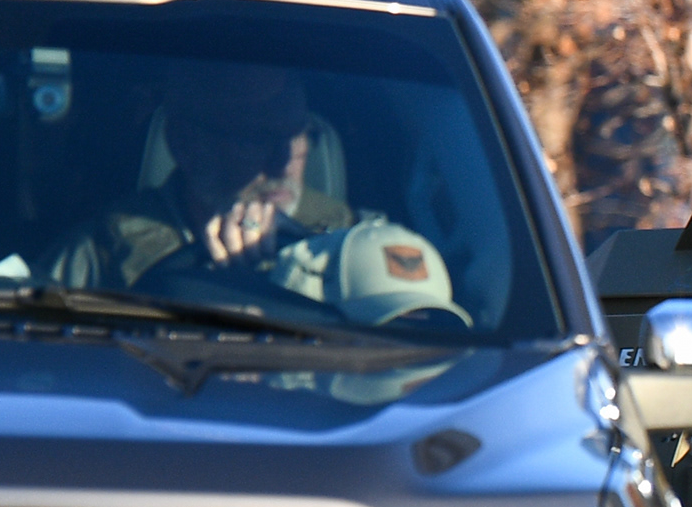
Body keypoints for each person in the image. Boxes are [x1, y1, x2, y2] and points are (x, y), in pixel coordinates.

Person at [55, 64, 463, 328]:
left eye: (297, 133)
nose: (284, 160)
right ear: (184, 144)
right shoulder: (105, 250)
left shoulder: (355, 240)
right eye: (258, 138)